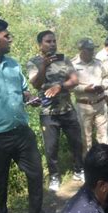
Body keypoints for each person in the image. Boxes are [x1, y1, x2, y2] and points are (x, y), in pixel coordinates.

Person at [0, 18, 51, 213]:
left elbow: (23, 91)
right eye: (5, 35)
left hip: (22, 132)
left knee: (36, 173)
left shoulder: (12, 64)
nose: (10, 38)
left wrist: (31, 99)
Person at [27, 30, 84, 192]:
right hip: (48, 113)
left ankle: (79, 170)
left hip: (67, 109)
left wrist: (60, 86)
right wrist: (44, 66)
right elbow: (36, 84)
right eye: (48, 41)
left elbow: (74, 80)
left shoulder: (64, 59)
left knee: (76, 142)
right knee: (51, 148)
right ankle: (54, 177)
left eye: (53, 41)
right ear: (40, 45)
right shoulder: (33, 62)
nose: (52, 44)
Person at [71, 38, 108, 156]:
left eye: (93, 49)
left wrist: (103, 86)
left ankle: (106, 159)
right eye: (89, 49)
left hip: (100, 104)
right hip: (84, 106)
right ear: (81, 50)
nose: (92, 52)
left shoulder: (98, 63)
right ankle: (87, 163)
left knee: (103, 135)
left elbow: (107, 78)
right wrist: (84, 89)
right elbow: (70, 86)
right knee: (85, 137)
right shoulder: (72, 65)